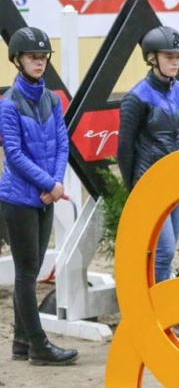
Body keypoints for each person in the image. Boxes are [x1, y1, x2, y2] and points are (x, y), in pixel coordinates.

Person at [1, 27, 79, 366]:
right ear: (18, 60)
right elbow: (14, 155)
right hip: (18, 199)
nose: (40, 62)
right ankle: (39, 346)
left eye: (43, 57)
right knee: (27, 272)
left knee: (31, 269)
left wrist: (55, 184)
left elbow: (62, 143)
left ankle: (21, 343)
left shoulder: (52, 99)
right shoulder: (8, 105)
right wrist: (49, 183)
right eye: (34, 57)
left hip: (46, 195)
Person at [118, 27, 179, 285]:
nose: (175, 61)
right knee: (164, 251)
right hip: (150, 182)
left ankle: (154, 302)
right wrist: (134, 189)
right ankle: (156, 310)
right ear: (151, 58)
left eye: (178, 56)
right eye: (168, 56)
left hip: (177, 183)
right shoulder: (135, 98)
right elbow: (124, 148)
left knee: (163, 251)